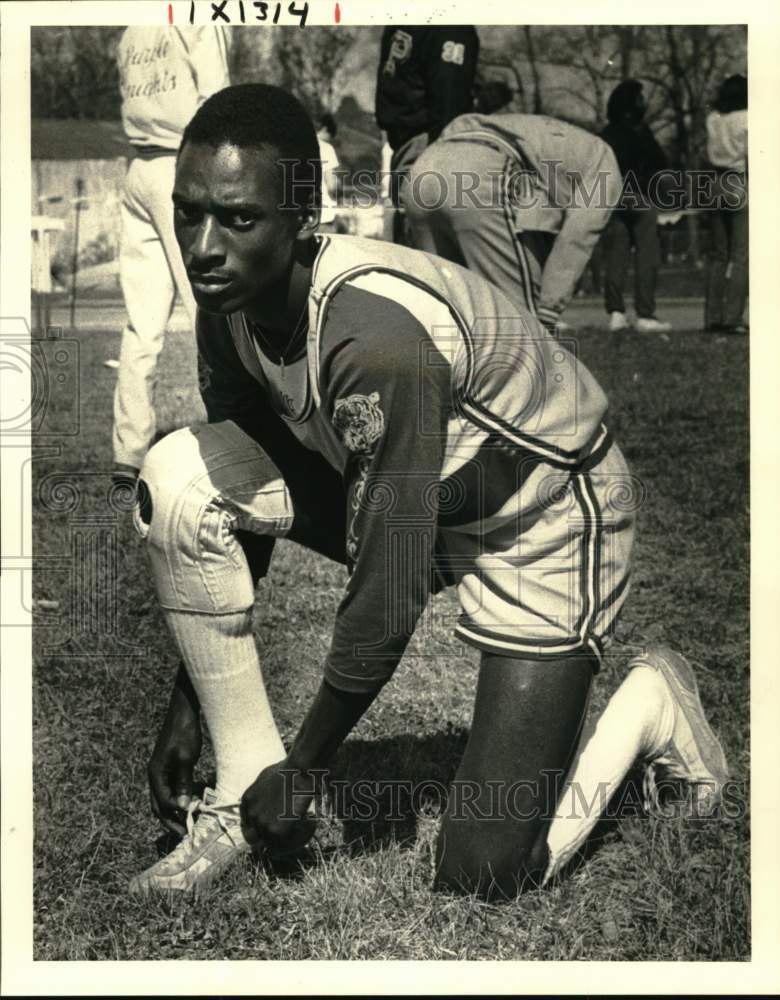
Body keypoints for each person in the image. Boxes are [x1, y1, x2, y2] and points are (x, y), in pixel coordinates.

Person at [128, 84, 729, 899]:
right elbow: (246, 487)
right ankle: (238, 792)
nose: (203, 246)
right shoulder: (226, 298)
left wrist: (309, 769)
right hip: (432, 491)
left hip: (544, 512)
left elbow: (389, 589)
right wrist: (190, 703)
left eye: (238, 218)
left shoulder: (376, 339)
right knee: (183, 473)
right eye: (188, 210)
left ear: (304, 217)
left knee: (487, 872)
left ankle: (652, 704)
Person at [111, 25, 231, 486]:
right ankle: (234, 437)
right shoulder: (199, 16)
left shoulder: (130, 27)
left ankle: (129, 452)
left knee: (141, 325)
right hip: (182, 166)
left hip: (137, 165)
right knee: (213, 309)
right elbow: (220, 106)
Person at [402, 97, 621, 334]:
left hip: (424, 168)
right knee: (518, 328)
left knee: (445, 313)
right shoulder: (605, 160)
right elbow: (577, 238)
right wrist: (548, 310)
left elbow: (534, 224)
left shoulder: (556, 145)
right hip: (478, 166)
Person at [375, 26, 479, 244]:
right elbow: (449, 103)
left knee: (419, 249)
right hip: (418, 146)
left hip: (425, 144)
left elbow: (449, 101)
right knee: (414, 248)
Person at [600, 80, 671, 334]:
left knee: (616, 254)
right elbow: (660, 163)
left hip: (612, 196)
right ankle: (645, 313)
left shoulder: (606, 133)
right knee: (647, 254)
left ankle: (616, 312)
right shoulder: (640, 131)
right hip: (640, 196)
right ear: (633, 106)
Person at [704, 74, 748, 335]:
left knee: (717, 255)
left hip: (714, 183)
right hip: (739, 180)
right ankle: (732, 317)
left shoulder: (713, 120)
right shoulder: (747, 119)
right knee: (740, 256)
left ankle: (712, 316)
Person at [316, 113, 341, 230]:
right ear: (325, 129)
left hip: (302, 217)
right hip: (324, 216)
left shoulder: (296, 147)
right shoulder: (326, 148)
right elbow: (332, 186)